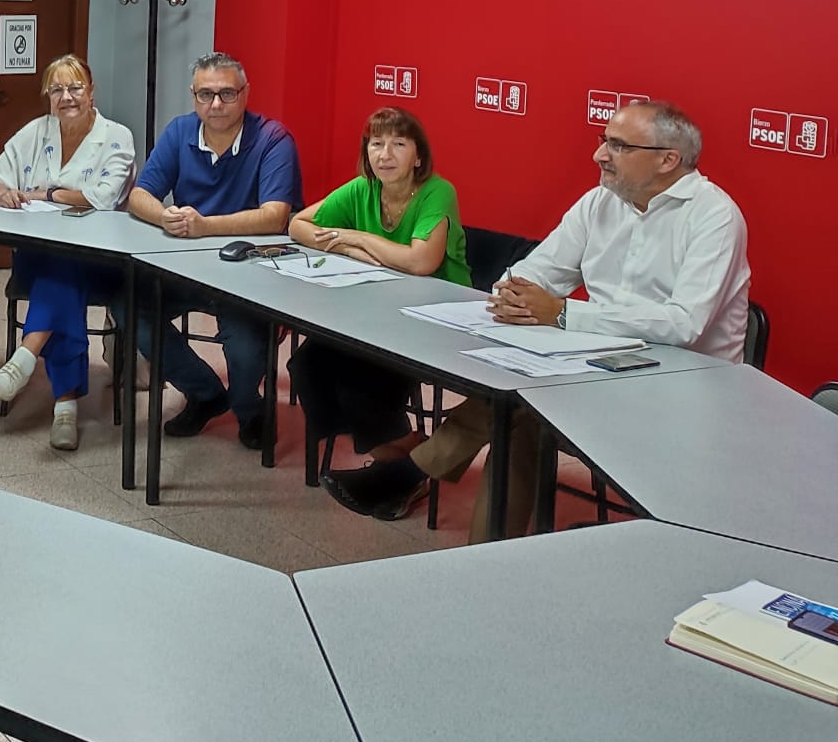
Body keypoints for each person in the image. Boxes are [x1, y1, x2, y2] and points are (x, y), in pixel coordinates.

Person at [323, 100, 751, 538]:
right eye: (603, 141)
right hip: (600, 366)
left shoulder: (713, 216)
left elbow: (684, 324)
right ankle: (473, 548)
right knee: (520, 408)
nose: (599, 155)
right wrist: (514, 293)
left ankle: (414, 479)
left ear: (668, 160)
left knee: (523, 409)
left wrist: (563, 312)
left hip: (683, 386)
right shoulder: (600, 202)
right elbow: (536, 269)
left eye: (618, 146)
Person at [125, 52, 302, 449]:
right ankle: (205, 393)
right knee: (130, 305)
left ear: (245, 93)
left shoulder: (273, 139)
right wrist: (164, 216)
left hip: (249, 275)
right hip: (187, 266)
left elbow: (275, 216)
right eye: (206, 94)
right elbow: (140, 196)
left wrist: (204, 227)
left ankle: (248, 408)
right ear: (193, 96)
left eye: (226, 93)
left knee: (244, 344)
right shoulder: (179, 131)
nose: (216, 104)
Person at [286, 108, 469, 472]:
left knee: (359, 381)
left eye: (398, 144)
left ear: (418, 156)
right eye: (376, 144)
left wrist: (356, 236)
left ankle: (396, 466)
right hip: (376, 311)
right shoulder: (363, 188)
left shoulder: (437, 192)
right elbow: (297, 225)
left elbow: (421, 262)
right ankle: (398, 451)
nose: (385, 155)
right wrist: (350, 250)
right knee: (307, 364)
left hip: (434, 317)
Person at [0, 55, 136, 450]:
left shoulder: (116, 136)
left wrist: (44, 193)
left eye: (75, 88)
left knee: (66, 268)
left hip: (99, 260)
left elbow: (101, 198)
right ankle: (63, 406)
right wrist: (6, 192)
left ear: (92, 92)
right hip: (38, 256)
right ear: (48, 96)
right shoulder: (37, 131)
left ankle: (29, 358)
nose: (67, 97)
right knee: (60, 272)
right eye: (57, 89)